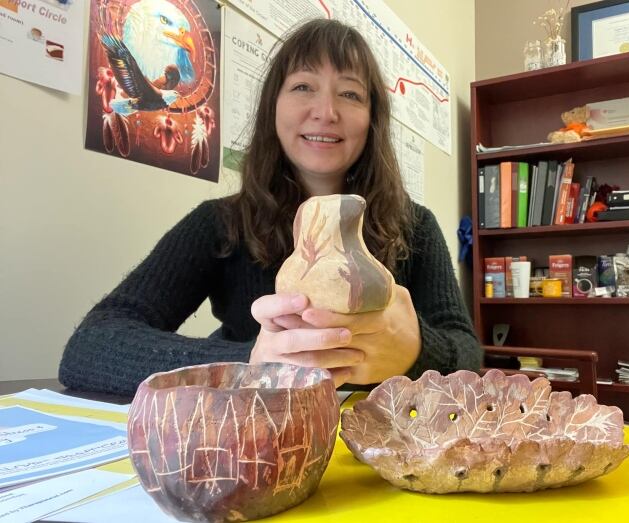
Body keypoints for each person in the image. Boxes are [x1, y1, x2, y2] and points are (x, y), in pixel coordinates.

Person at [59, 18, 482, 396]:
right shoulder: (221, 223)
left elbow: (467, 353)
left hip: (377, 454)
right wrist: (247, 364)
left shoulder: (415, 226)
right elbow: (92, 343)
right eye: (303, 87)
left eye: (350, 94)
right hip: (259, 447)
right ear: (272, 107)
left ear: (372, 119)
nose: (326, 112)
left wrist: (416, 350)